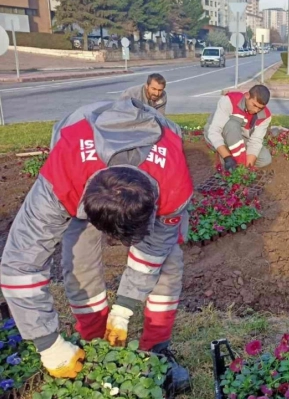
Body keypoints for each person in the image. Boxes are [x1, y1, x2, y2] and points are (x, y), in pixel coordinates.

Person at [0, 98, 193, 392]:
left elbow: (154, 250)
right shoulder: (63, 175)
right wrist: (47, 344)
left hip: (156, 171)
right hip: (81, 161)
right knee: (78, 255)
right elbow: (20, 263)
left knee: (169, 261)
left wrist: (125, 308)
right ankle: (93, 338)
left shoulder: (174, 184)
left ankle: (157, 347)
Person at [205, 84, 272, 170]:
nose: (256, 110)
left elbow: (255, 142)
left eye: (260, 108)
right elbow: (214, 132)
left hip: (238, 137)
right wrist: (227, 157)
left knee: (265, 159)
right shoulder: (229, 101)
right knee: (232, 124)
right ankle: (226, 159)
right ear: (247, 95)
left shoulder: (265, 116)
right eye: (254, 105)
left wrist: (246, 167)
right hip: (217, 134)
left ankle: (238, 163)